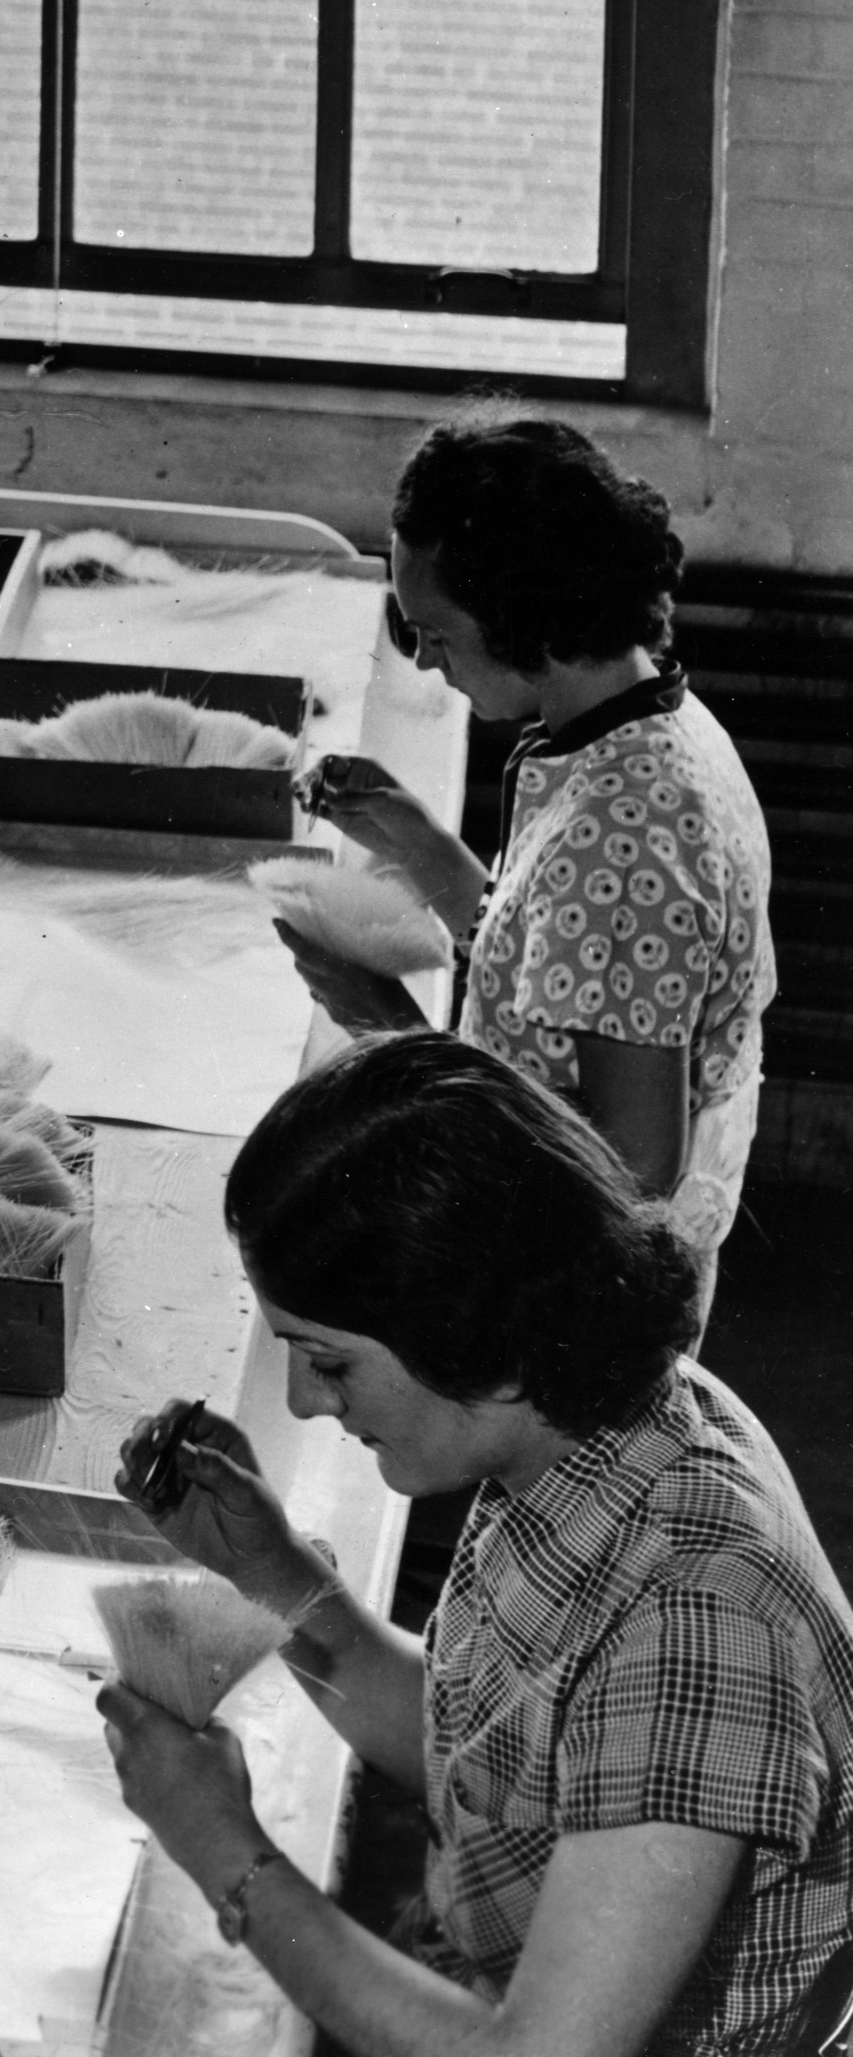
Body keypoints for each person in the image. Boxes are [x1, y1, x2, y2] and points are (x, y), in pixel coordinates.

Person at [101, 1033, 853, 2057]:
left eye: (329, 1361)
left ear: (477, 1336)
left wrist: (226, 1854)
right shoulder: (584, 1435)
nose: (300, 1402)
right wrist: (269, 1573)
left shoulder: (698, 1621)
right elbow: (482, 1752)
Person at [298, 412, 775, 1275]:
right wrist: (412, 835)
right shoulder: (635, 720)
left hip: (576, 1270)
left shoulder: (629, 833)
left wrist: (390, 1033)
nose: (423, 661)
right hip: (555, 1206)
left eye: (435, 634)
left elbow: (625, 1179)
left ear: (519, 614)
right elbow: (557, 959)